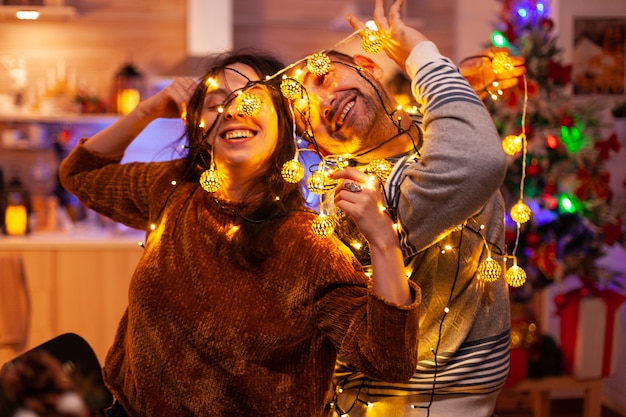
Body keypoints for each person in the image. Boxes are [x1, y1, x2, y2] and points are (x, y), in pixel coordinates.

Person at [56, 50, 421, 417]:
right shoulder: (173, 190)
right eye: (216, 102)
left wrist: (383, 241)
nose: (232, 110)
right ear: (200, 126)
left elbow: (388, 361)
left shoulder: (308, 246)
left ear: (284, 122)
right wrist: (145, 111)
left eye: (251, 97)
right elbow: (81, 174)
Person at [288, 0, 516, 416]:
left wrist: (461, 79)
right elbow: (475, 161)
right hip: (408, 400)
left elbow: (431, 139)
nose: (322, 103)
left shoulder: (422, 137)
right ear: (319, 146)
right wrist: (422, 54)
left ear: (367, 65)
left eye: (323, 78)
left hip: (461, 385)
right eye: (306, 115)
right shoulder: (353, 196)